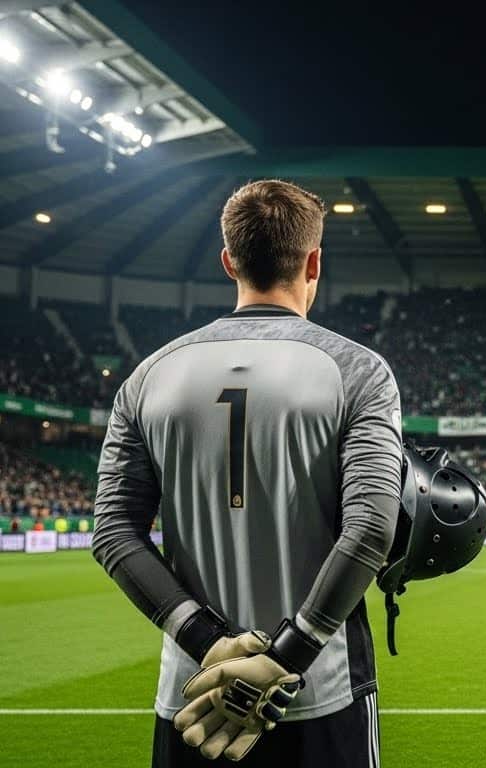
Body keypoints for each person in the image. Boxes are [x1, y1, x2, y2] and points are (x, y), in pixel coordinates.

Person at [92, 180, 402, 765]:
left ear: (228, 261)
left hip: (194, 701)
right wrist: (286, 655)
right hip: (321, 692)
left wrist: (209, 645)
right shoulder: (358, 370)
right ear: (314, 262)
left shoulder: (149, 375)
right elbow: (370, 529)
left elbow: (112, 531)